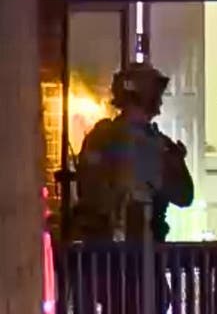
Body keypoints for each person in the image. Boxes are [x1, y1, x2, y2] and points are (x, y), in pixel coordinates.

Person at [73, 62, 194, 242]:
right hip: (115, 249)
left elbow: (184, 196)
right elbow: (90, 194)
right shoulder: (105, 138)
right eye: (156, 93)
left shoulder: (103, 137)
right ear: (143, 95)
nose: (160, 100)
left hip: (137, 247)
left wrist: (176, 165)